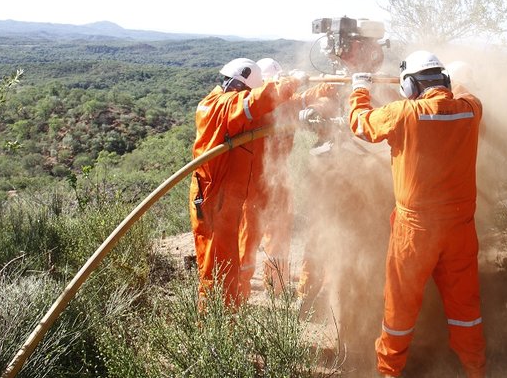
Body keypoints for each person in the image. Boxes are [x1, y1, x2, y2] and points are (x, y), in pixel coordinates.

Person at [348, 50, 486, 378]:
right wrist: (455, 78)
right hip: (460, 229)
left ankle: (389, 373)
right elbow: (463, 92)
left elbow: (361, 124)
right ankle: (476, 370)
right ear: (446, 81)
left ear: (409, 86)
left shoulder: (402, 113)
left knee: (399, 309)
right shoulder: (471, 109)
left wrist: (359, 89)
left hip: (415, 231)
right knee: (466, 309)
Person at [189, 57, 305, 305]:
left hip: (221, 199)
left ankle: (228, 319)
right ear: (237, 86)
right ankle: (214, 330)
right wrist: (293, 81)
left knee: (225, 265)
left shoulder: (223, 103)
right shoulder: (222, 106)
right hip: (212, 199)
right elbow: (256, 102)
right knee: (214, 269)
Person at [237, 58, 338, 298]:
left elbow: (305, 98)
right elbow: (297, 100)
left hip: (275, 181)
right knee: (254, 239)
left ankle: (271, 288)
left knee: (273, 238)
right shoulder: (253, 107)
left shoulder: (280, 103)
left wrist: (329, 85)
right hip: (256, 183)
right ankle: (246, 290)